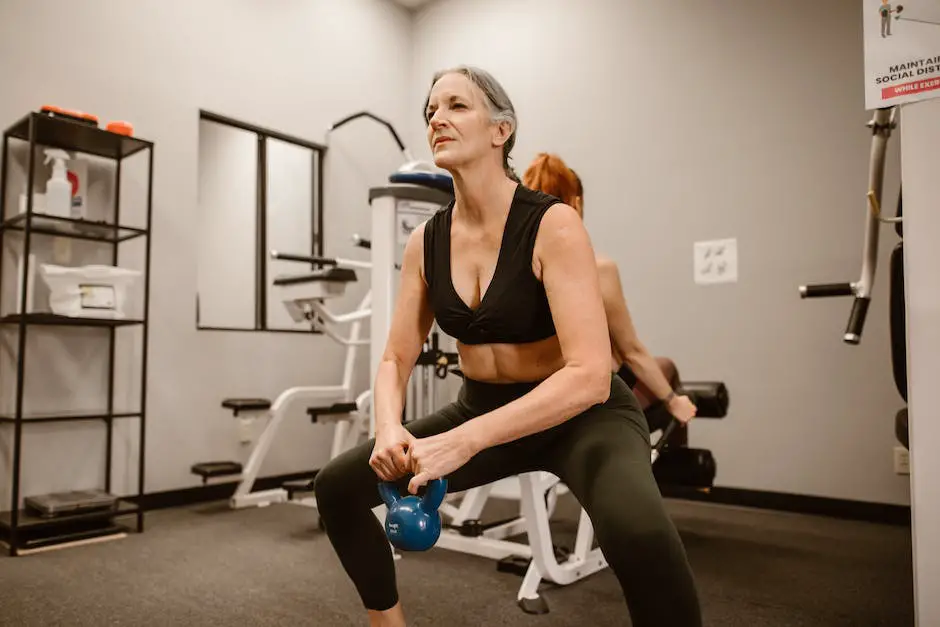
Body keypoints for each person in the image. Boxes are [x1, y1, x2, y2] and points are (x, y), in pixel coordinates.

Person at [313, 66, 702, 627]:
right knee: (338, 488)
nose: (437, 119)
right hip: (483, 405)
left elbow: (592, 373)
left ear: (502, 130)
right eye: (430, 111)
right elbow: (396, 357)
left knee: (639, 532)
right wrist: (391, 427)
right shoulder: (427, 242)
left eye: (456, 106)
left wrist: (461, 444)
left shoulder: (554, 225)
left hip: (581, 415)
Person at [522, 153, 697, 436]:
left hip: (528, 402)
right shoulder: (597, 268)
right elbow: (632, 351)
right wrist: (674, 401)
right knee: (666, 368)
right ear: (575, 204)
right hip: (580, 407)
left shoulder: (514, 267)